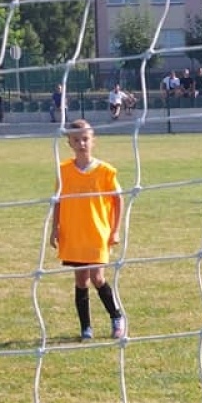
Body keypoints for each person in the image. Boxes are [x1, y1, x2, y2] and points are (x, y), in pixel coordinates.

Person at [50, 119, 125, 341]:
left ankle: (117, 317)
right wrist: (55, 228)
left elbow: (118, 199)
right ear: (69, 143)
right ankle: (86, 328)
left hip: (97, 232)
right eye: (76, 140)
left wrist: (115, 230)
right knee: (81, 280)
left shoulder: (105, 171)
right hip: (74, 232)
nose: (81, 143)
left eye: (85, 139)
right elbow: (58, 201)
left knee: (98, 277)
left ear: (93, 141)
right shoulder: (64, 170)